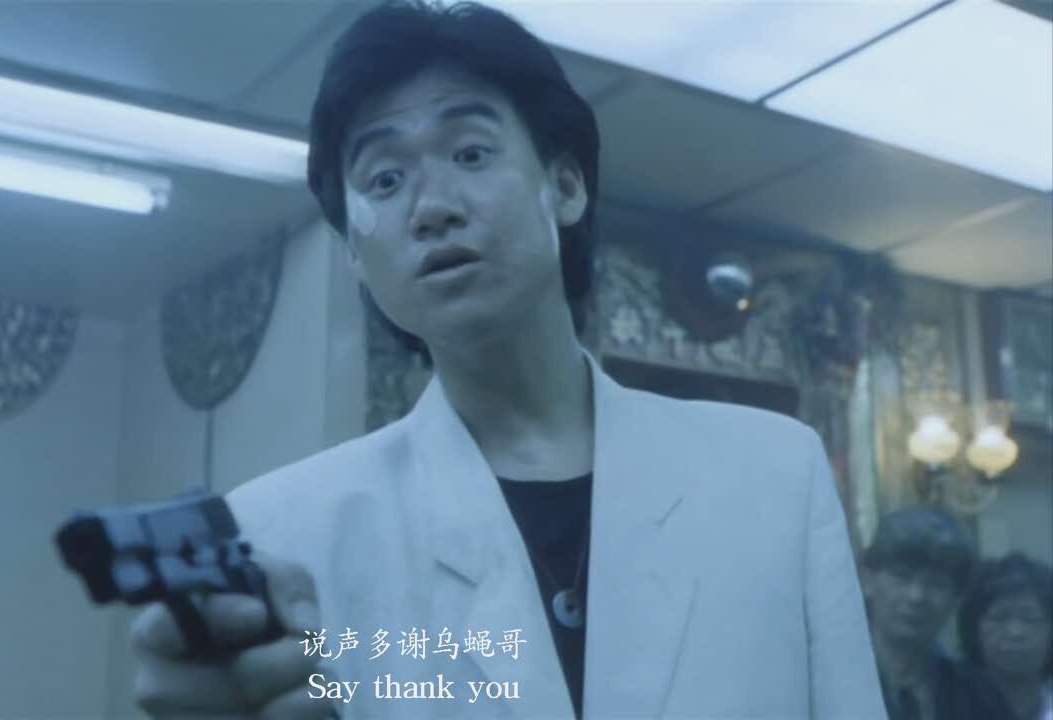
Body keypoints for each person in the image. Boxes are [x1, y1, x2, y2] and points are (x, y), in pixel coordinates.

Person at [129, 2, 886, 717]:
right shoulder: (280, 535)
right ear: (355, 252)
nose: (432, 207)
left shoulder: (774, 475)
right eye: (385, 180)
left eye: (471, 153)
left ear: (565, 186)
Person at [862, 506, 1016, 720]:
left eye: (935, 583)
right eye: (902, 577)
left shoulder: (980, 696)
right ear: (867, 580)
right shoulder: (827, 680)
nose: (916, 596)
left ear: (956, 597)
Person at [959, 552, 1053, 720]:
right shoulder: (944, 708)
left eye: (1030, 618)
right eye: (999, 618)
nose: (1015, 632)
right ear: (974, 630)